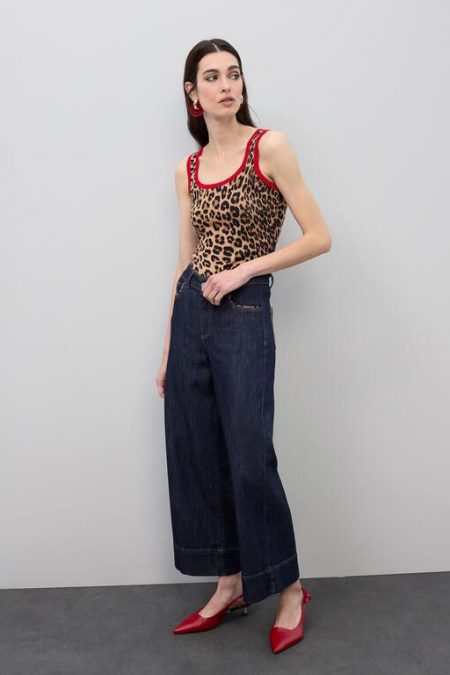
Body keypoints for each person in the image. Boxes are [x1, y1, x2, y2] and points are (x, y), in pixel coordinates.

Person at [156, 38, 332, 654]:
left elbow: (319, 236)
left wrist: (245, 270)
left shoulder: (269, 147)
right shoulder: (187, 168)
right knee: (199, 455)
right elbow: (185, 262)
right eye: (212, 77)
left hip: (245, 312)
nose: (226, 85)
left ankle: (289, 588)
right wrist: (167, 348)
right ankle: (229, 582)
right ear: (193, 93)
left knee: (251, 457)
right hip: (191, 317)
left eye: (233, 74)